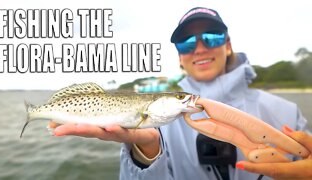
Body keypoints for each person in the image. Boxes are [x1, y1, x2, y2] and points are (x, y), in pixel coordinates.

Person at [50, 7, 311, 180]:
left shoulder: (288, 112)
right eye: (186, 43)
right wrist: (146, 152)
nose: (199, 48)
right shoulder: (156, 122)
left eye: (211, 37)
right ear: (179, 57)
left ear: (228, 45)